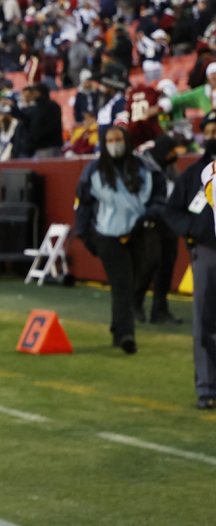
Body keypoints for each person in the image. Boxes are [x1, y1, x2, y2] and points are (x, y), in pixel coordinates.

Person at [75, 125, 165, 354]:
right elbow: (83, 204)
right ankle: (126, 335)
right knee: (122, 283)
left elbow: (159, 195)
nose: (115, 143)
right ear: (104, 144)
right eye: (110, 139)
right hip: (108, 234)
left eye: (119, 139)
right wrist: (84, 234)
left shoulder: (146, 168)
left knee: (134, 281)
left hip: (139, 232)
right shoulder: (93, 171)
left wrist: (149, 216)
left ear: (127, 141)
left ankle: (118, 327)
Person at [160, 111, 216, 408]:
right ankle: (207, 387)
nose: (212, 135)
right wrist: (192, 229)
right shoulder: (194, 174)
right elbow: (172, 211)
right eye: (208, 130)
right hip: (207, 252)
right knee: (204, 322)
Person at [135, 135, 183, 324]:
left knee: (167, 265)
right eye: (171, 151)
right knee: (150, 263)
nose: (174, 155)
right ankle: (135, 304)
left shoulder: (170, 169)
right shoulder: (143, 167)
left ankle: (160, 309)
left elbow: (178, 189)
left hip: (169, 221)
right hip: (150, 221)